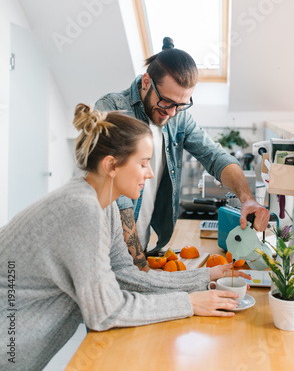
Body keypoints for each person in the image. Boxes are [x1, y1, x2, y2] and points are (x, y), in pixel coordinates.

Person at [0, 104, 251, 371]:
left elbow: (125, 274)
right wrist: (188, 303)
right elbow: (106, 312)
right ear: (111, 166)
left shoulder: (101, 203)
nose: (150, 173)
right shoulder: (82, 210)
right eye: (143, 163)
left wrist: (202, 278)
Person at [95, 38, 270, 271]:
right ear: (146, 81)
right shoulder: (113, 109)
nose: (171, 112)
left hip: (141, 251)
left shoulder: (177, 115)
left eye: (181, 105)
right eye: (166, 102)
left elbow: (215, 156)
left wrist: (247, 198)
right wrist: (137, 261)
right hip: (106, 252)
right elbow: (116, 190)